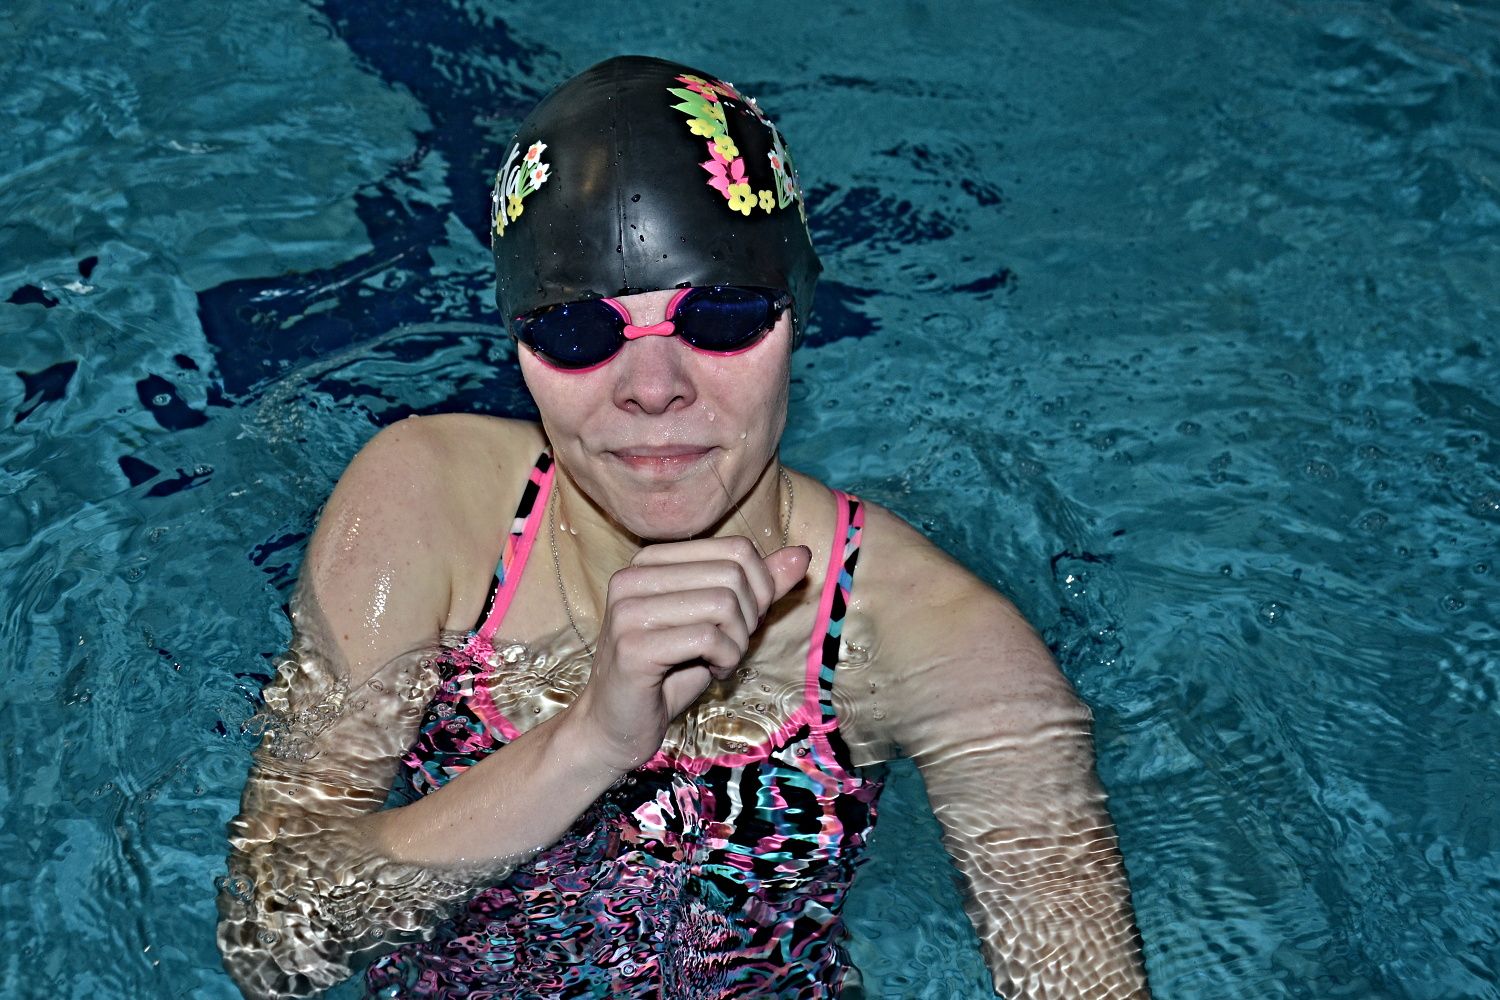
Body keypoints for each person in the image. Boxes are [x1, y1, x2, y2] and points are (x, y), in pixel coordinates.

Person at [217, 55, 1150, 999]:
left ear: (799, 313)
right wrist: (588, 740)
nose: (653, 388)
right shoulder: (429, 506)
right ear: (515, 344)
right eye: (578, 329)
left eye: (721, 315)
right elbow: (270, 942)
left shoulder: (942, 647)